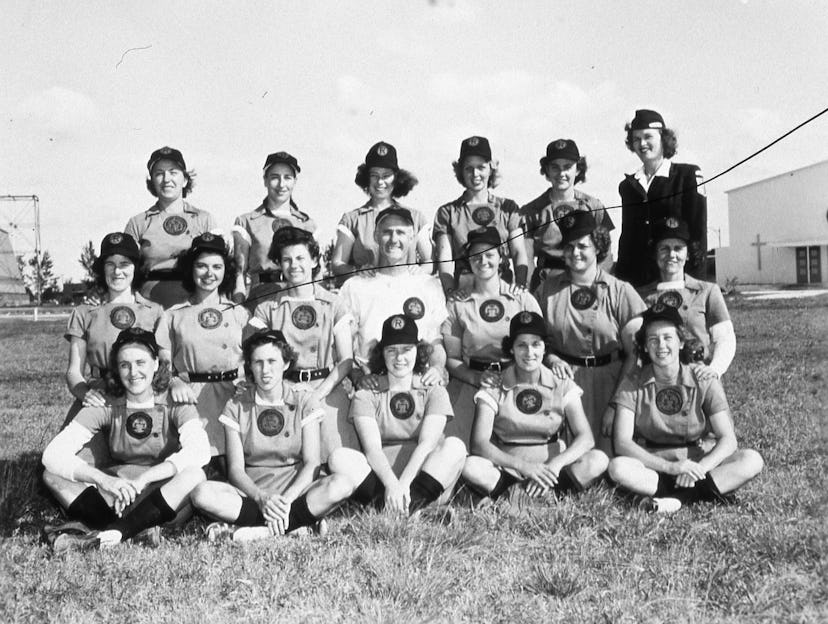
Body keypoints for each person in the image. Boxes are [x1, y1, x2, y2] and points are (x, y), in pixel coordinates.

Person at [41, 328, 209, 551]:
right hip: (116, 495)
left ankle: (111, 533)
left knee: (196, 474)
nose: (133, 372)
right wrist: (104, 480)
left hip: (160, 497)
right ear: (116, 369)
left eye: (141, 362)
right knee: (51, 474)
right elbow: (52, 455)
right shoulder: (106, 402)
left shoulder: (175, 399)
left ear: (156, 364)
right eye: (124, 365)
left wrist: (145, 479)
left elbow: (200, 452)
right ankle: (129, 531)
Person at [191, 330, 358, 541]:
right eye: (258, 362)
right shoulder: (236, 405)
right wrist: (262, 498)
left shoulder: (304, 400)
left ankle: (255, 531)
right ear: (250, 366)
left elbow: (312, 463)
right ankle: (299, 525)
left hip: (297, 490)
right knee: (201, 493)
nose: (265, 370)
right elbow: (235, 470)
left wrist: (287, 500)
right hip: (252, 492)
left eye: (272, 361)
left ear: (286, 363)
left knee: (342, 483)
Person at [608, 305, 764, 512]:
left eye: (667, 338)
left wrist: (699, 469)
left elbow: (728, 439)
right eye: (653, 340)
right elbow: (622, 443)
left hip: (696, 461)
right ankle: (704, 493)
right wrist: (672, 467)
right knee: (618, 468)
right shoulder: (632, 382)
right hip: (654, 466)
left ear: (681, 342)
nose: (661, 345)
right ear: (644, 347)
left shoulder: (703, 379)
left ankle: (675, 500)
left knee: (751, 459)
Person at [462, 312, 608, 504]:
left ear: (545, 348)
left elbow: (586, 438)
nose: (529, 353)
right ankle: (525, 495)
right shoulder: (494, 384)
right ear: (511, 349)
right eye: (522, 345)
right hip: (510, 468)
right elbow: (479, 444)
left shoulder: (561, 382)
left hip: (551, 470)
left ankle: (528, 497)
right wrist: (523, 467)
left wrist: (555, 466)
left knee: (598, 459)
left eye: (536, 344)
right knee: (471, 466)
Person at [534, 210, 646, 453]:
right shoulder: (547, 291)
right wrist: (551, 358)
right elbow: (534, 339)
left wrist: (617, 405)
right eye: (569, 246)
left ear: (598, 246)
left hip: (610, 382)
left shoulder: (621, 291)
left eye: (583, 246)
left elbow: (636, 354)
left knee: (611, 461)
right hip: (564, 385)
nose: (575, 253)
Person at [336, 314, 467, 516]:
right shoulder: (366, 394)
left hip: (422, 478)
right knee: (339, 458)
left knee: (455, 447)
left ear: (419, 351)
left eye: (407, 349)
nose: (400, 358)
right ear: (382, 353)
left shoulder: (433, 390)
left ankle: (406, 505)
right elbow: (372, 450)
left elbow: (427, 444)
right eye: (392, 350)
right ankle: (410, 510)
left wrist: (404, 484)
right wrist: (392, 486)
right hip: (382, 481)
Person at [247, 227, 358, 459]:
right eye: (286, 260)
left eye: (300, 258)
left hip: (326, 388)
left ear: (314, 260)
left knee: (339, 459)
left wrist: (317, 394)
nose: (294, 265)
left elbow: (346, 360)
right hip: (284, 390)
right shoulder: (267, 308)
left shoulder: (333, 303)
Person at [63, 232, 170, 464]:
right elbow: (73, 371)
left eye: (124, 264)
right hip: (101, 396)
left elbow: (165, 363)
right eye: (110, 264)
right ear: (102, 269)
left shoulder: (154, 311)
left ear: (136, 268)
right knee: (70, 462)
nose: (117, 271)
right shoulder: (85, 312)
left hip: (142, 394)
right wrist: (84, 393)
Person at [441, 227, 541, 444]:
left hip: (516, 382)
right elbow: (452, 358)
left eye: (490, 255)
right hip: (471, 383)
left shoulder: (522, 300)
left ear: (501, 257)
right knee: (459, 449)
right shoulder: (457, 304)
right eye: (476, 256)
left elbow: (540, 347)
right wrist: (476, 378)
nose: (483, 261)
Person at [337, 206, 448, 390]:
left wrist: (437, 368)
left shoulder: (428, 285)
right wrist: (358, 377)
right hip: (372, 384)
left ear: (412, 237)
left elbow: (436, 342)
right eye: (387, 232)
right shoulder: (354, 286)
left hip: (418, 384)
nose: (394, 239)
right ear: (376, 236)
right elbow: (344, 349)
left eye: (401, 233)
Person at [166, 233, 249, 469]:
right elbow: (161, 363)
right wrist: (174, 382)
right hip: (191, 399)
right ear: (190, 270)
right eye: (201, 266)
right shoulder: (174, 315)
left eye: (217, 266)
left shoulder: (239, 313)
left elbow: (254, 359)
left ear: (227, 271)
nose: (209, 273)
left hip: (232, 396)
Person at [616, 109, 707, 287]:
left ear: (663, 138)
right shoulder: (628, 186)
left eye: (648, 137)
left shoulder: (687, 175)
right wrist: (621, 281)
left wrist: (696, 282)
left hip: (677, 277)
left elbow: (698, 231)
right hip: (640, 281)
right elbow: (627, 237)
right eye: (636, 139)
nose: (642, 143)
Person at [638, 217, 736, 378]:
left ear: (688, 253)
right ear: (655, 253)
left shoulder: (707, 292)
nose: (671, 254)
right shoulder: (639, 296)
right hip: (655, 383)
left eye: (678, 248)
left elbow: (725, 338)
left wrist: (714, 370)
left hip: (698, 378)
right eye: (664, 248)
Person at [434, 136, 529, 293]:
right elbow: (444, 258)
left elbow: (519, 251)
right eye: (469, 168)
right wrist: (450, 291)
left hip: (502, 290)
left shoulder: (508, 208)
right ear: (461, 171)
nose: (475, 173)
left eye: (481, 167)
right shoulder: (448, 212)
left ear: (491, 168)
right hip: (465, 292)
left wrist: (520, 284)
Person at [125, 146, 217, 308]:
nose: (166, 179)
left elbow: (218, 266)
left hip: (194, 303)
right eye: (159, 173)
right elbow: (124, 266)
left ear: (185, 179)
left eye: (173, 172)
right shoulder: (138, 223)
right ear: (152, 181)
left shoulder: (204, 220)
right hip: (149, 304)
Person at [520, 139, 615, 291]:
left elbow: (606, 254)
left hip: (586, 281)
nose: (561, 173)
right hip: (547, 280)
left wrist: (600, 284)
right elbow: (526, 258)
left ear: (577, 169)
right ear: (547, 170)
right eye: (555, 167)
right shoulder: (531, 211)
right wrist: (529, 291)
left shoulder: (593, 206)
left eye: (567, 167)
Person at [332, 141, 432, 282]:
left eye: (386, 175)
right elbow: (337, 264)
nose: (380, 182)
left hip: (406, 291)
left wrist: (420, 270)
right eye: (374, 175)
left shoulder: (416, 218)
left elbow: (430, 261)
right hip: (367, 292)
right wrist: (357, 272)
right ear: (367, 178)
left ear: (396, 178)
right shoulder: (352, 220)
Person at [232, 152, 317, 305]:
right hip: (262, 297)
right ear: (265, 180)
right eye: (275, 177)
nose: (281, 184)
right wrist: (238, 307)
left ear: (295, 181)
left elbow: (317, 273)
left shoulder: (307, 224)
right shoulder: (246, 222)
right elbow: (239, 273)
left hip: (299, 297)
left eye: (287, 177)